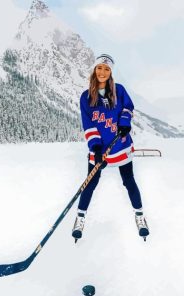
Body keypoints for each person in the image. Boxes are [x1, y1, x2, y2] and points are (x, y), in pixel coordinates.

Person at [72, 54, 149, 241]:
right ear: (94, 69)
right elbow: (88, 124)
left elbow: (128, 107)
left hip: (120, 145)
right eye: (99, 68)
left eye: (107, 69)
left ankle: (140, 216)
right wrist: (97, 148)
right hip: (99, 149)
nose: (102, 72)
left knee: (129, 181)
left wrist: (124, 122)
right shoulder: (86, 97)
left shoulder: (119, 90)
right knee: (89, 183)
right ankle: (80, 218)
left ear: (111, 72)